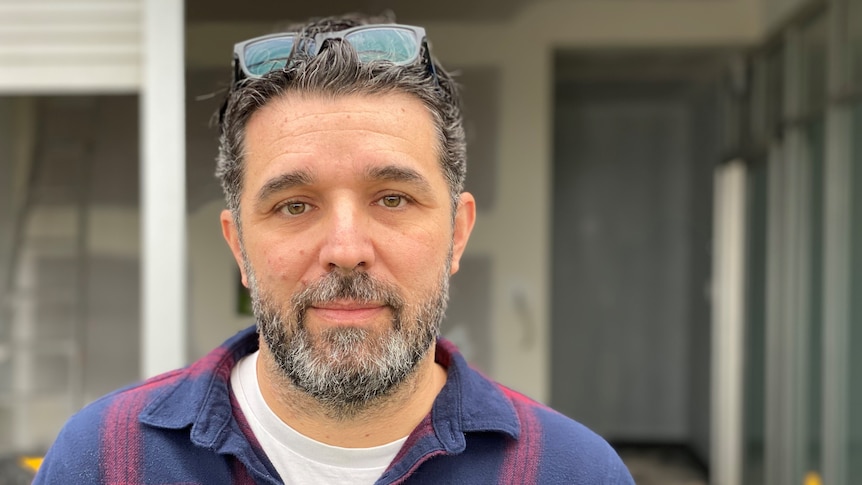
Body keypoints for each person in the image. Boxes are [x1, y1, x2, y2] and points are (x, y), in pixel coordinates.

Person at [34, 12, 635, 484]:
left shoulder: (576, 472)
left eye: (393, 199)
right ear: (238, 246)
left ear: (457, 233)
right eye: (294, 205)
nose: (346, 249)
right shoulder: (103, 461)